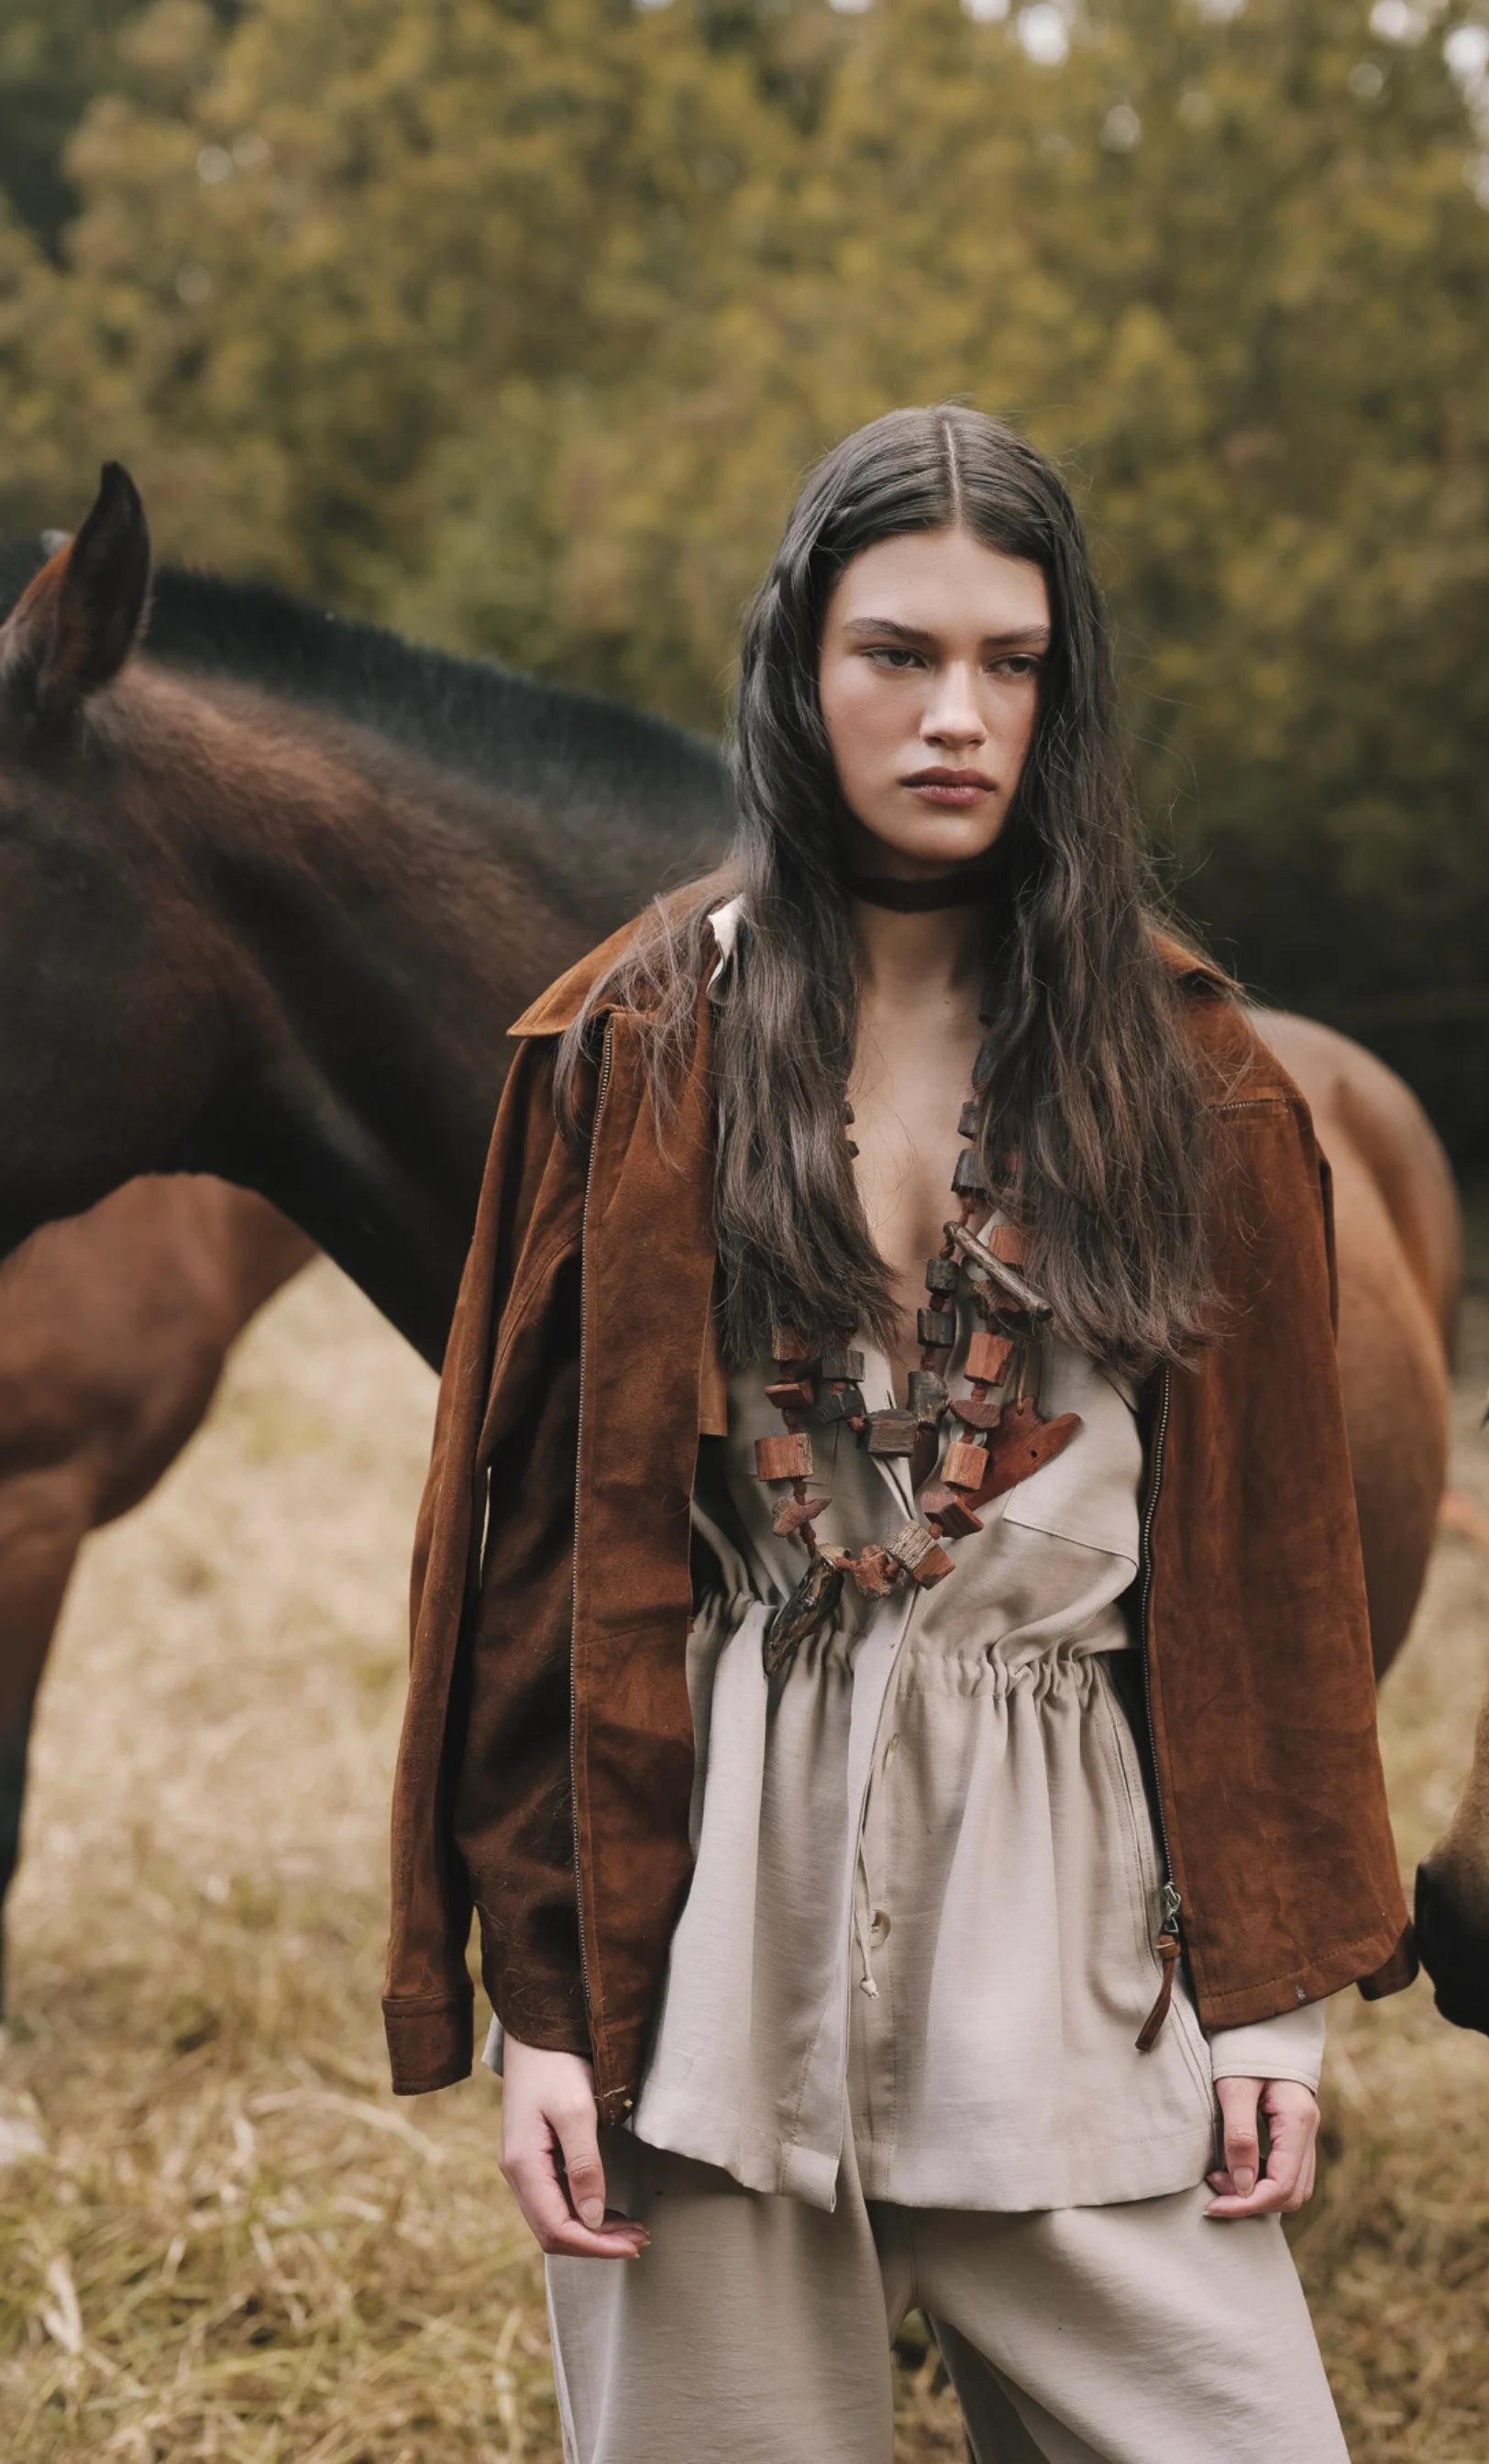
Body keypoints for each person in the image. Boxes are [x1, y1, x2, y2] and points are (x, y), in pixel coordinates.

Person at [381, 403, 1414, 2463]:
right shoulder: (637, 1047)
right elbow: (542, 1574)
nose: (957, 715)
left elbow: (1269, 1579)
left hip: (1073, 1916)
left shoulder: (1194, 1077)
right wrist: (547, 2009)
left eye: (1009, 662)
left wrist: (1273, 2002)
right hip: (709, 1917)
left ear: (1062, 693)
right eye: (898, 653)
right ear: (799, 666)